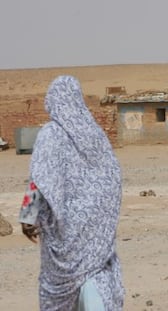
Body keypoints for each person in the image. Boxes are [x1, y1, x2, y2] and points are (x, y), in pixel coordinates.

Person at [18, 75, 124, 310]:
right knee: (94, 271)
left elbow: (38, 179)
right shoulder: (95, 134)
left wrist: (27, 216)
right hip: (93, 231)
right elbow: (112, 178)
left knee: (60, 290)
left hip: (63, 232)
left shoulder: (50, 134)